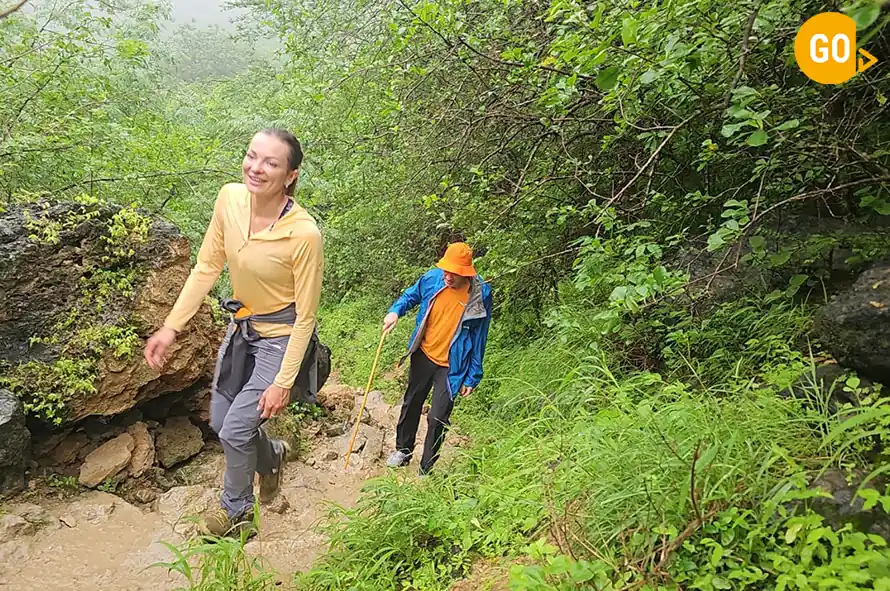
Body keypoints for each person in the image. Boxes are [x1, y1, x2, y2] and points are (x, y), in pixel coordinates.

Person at [143, 128, 323, 537]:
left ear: (290, 175)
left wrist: (282, 382)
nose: (256, 168)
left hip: (280, 338)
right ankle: (272, 456)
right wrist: (171, 327)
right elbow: (207, 267)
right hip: (242, 330)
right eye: (252, 156)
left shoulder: (304, 235)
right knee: (223, 421)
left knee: (237, 428)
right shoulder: (230, 198)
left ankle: (237, 512)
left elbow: (307, 317)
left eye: (271, 163)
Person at [383, 242, 492, 475]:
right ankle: (403, 450)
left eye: (454, 273)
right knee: (412, 402)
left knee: (438, 417)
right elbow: (410, 296)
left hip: (452, 366)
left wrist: (473, 376)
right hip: (424, 354)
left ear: (466, 273)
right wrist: (395, 311)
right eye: (446, 270)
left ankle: (426, 469)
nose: (448, 277)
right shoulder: (433, 279)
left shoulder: (480, 294)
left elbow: (481, 336)